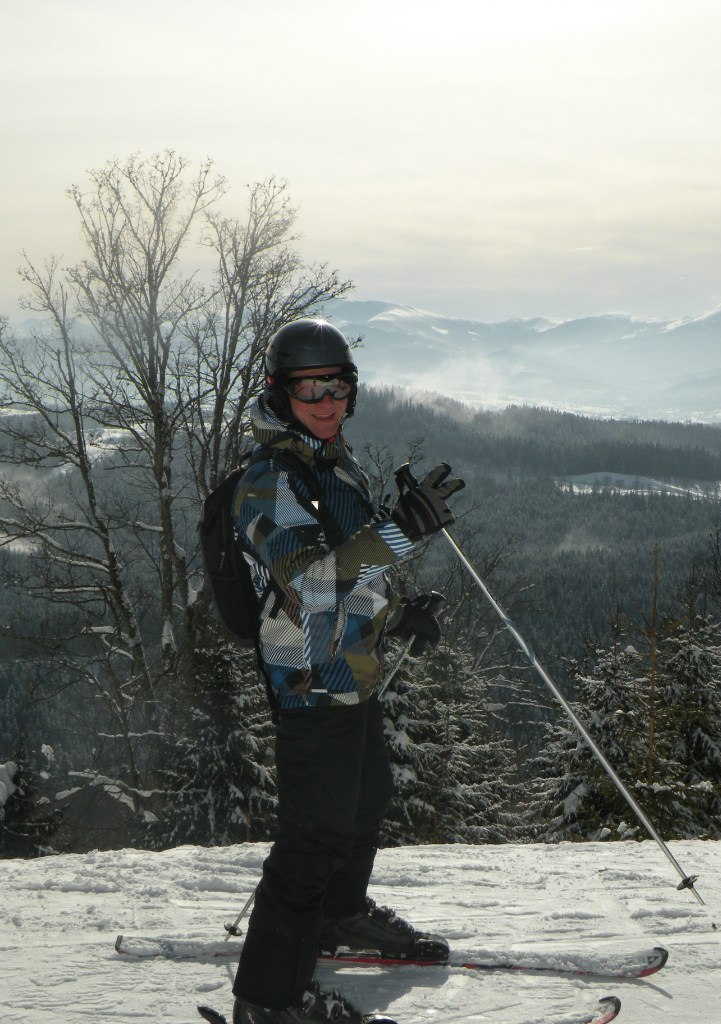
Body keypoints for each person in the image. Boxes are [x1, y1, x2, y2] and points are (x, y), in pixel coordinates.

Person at [230, 318, 465, 1024]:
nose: (327, 401)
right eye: (310, 389)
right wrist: (402, 530)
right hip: (308, 677)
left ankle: (339, 916)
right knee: (312, 839)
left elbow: (351, 575)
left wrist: (396, 615)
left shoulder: (335, 465)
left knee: (365, 801)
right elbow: (308, 583)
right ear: (281, 392)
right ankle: (267, 1000)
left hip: (352, 664)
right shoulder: (269, 480)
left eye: (338, 386)